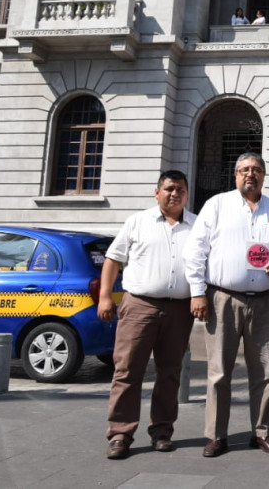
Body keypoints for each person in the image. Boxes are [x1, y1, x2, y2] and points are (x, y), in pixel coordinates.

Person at [183, 152, 269, 458]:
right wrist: (197, 292)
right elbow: (195, 250)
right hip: (223, 298)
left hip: (265, 300)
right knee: (219, 371)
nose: (251, 174)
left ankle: (261, 432)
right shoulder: (217, 205)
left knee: (266, 370)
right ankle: (217, 435)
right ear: (235, 175)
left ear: (263, 176)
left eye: (256, 170)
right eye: (245, 169)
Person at [98, 170, 196, 460]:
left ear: (186, 194)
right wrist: (105, 297)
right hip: (139, 305)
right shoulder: (137, 222)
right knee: (127, 370)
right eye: (168, 188)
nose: (174, 194)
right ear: (157, 193)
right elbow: (113, 260)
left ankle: (162, 431)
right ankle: (120, 433)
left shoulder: (197, 225)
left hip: (180, 308)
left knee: (170, 372)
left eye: (180, 189)